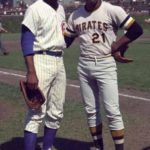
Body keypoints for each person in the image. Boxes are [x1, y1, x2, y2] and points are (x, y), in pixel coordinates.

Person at [64, 0, 143, 150]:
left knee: (112, 111)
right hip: (84, 65)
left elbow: (136, 30)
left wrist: (117, 44)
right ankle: (98, 147)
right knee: (91, 111)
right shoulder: (75, 15)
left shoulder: (112, 10)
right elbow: (66, 40)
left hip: (105, 64)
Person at [21, 0, 66, 149]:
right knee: (36, 112)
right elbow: (26, 39)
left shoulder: (61, 9)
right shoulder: (35, 8)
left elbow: (62, 36)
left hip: (59, 60)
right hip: (40, 59)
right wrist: (31, 72)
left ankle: (47, 147)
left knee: (56, 112)